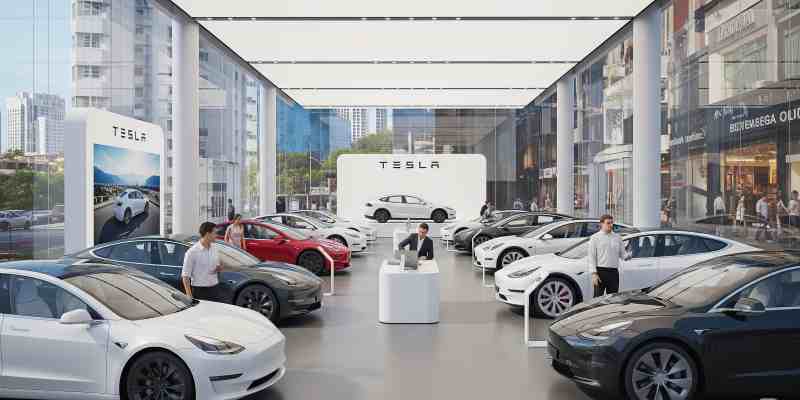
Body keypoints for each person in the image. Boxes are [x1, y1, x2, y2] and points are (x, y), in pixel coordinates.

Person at [588, 214, 629, 297]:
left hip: (613, 272)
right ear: (601, 224)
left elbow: (623, 254)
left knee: (613, 299)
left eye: (612, 223)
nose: (611, 225)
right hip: (600, 272)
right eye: (608, 223)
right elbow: (592, 257)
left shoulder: (617, 237)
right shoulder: (595, 238)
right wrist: (594, 274)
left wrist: (628, 256)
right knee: (597, 299)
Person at [181, 222, 223, 301]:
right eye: (215, 233)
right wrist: (190, 297)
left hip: (215, 289)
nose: (216, 235)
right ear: (208, 234)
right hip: (200, 291)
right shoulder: (192, 252)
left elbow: (217, 265)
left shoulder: (215, 248)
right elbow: (185, 277)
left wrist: (218, 268)